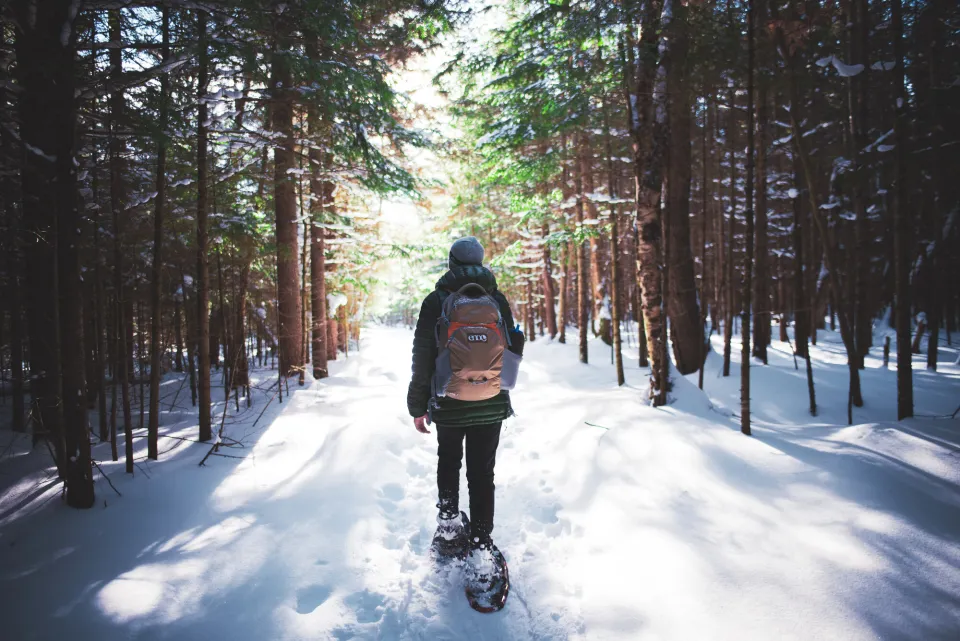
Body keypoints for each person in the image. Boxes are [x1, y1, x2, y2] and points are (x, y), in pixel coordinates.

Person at [406, 236, 523, 583]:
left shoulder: (437, 300)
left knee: (449, 460)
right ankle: (482, 550)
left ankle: (448, 529)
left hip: (448, 399)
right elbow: (512, 347)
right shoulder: (497, 300)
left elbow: (422, 357)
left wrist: (417, 405)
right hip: (490, 400)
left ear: (451, 263)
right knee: (482, 474)